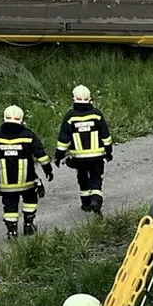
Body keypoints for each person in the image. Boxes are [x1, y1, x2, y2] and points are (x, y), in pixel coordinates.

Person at [0, 105, 53, 239]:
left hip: (6, 181)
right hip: (27, 179)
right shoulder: (28, 135)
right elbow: (41, 155)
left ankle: (12, 231)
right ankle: (28, 225)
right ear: (21, 119)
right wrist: (48, 169)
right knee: (30, 201)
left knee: (9, 206)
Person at [55, 85, 113, 215]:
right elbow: (106, 136)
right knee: (96, 178)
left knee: (82, 179)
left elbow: (64, 139)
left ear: (74, 99)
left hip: (79, 158)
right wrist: (109, 152)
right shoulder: (97, 115)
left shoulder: (70, 117)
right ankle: (96, 201)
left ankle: (86, 204)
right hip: (97, 157)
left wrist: (58, 156)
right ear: (90, 99)